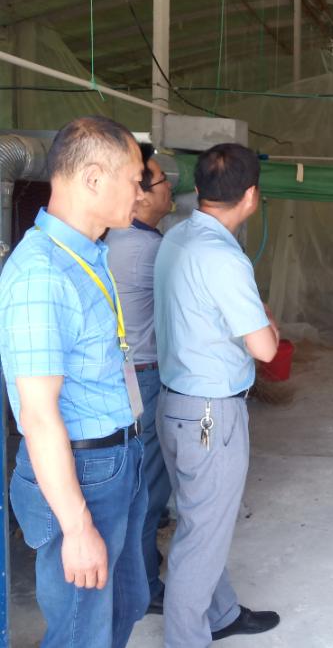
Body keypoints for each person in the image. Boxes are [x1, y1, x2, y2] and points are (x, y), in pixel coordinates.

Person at [0, 116, 149, 647]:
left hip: (116, 457)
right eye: (135, 180)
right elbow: (39, 416)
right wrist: (78, 526)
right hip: (82, 472)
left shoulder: (87, 253)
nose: (142, 192)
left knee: (125, 603)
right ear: (93, 178)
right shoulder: (41, 274)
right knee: (83, 632)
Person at [154, 142, 281, 645]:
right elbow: (265, 348)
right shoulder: (225, 258)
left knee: (200, 522)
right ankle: (186, 638)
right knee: (199, 538)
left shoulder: (175, 236)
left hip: (175, 403)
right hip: (210, 413)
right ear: (251, 195)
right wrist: (268, 321)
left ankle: (221, 613)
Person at [106, 142, 174, 615]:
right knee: (150, 486)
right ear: (142, 195)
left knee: (139, 479)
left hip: (129, 373)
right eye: (162, 179)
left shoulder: (117, 238)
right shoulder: (148, 250)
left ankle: (141, 563)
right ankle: (145, 586)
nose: (171, 187)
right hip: (145, 375)